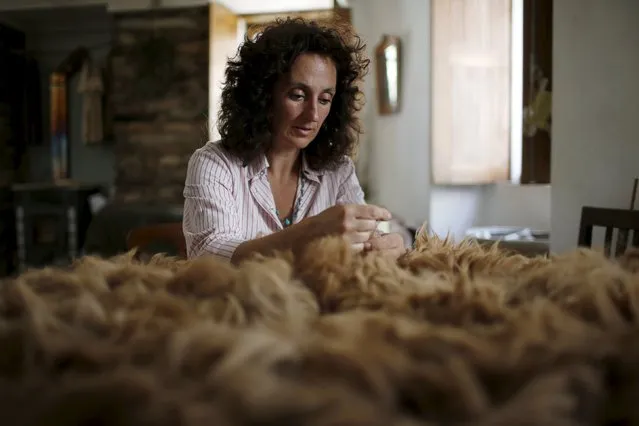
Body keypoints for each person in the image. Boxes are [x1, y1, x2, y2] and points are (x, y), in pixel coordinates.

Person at [183, 18, 405, 264]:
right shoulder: (214, 164)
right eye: (298, 95)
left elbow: (363, 244)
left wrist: (386, 246)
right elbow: (209, 254)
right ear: (263, 94)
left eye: (324, 99)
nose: (313, 115)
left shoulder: (338, 171)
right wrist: (311, 232)